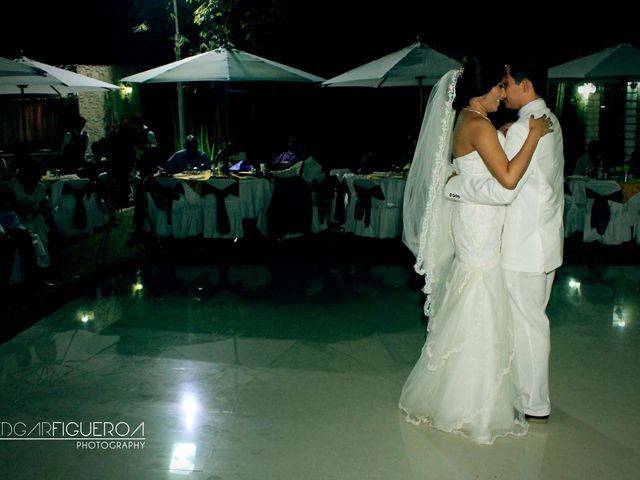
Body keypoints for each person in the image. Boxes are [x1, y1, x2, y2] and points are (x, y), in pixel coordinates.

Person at [400, 57, 553, 444]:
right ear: (481, 91)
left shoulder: (470, 121)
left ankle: (466, 386)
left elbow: (478, 163)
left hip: (475, 220)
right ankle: (471, 399)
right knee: (480, 295)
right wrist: (532, 135)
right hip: (480, 223)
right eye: (499, 87)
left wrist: (501, 136)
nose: (504, 93)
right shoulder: (477, 125)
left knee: (474, 291)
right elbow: (505, 181)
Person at [444, 61, 564, 425]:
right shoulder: (548, 119)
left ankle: (534, 401)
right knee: (521, 319)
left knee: (526, 323)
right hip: (543, 239)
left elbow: (506, 185)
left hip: (521, 243)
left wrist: (453, 185)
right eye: (498, 85)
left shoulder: (527, 128)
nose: (503, 91)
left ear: (523, 86)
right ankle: (519, 392)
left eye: (507, 84)